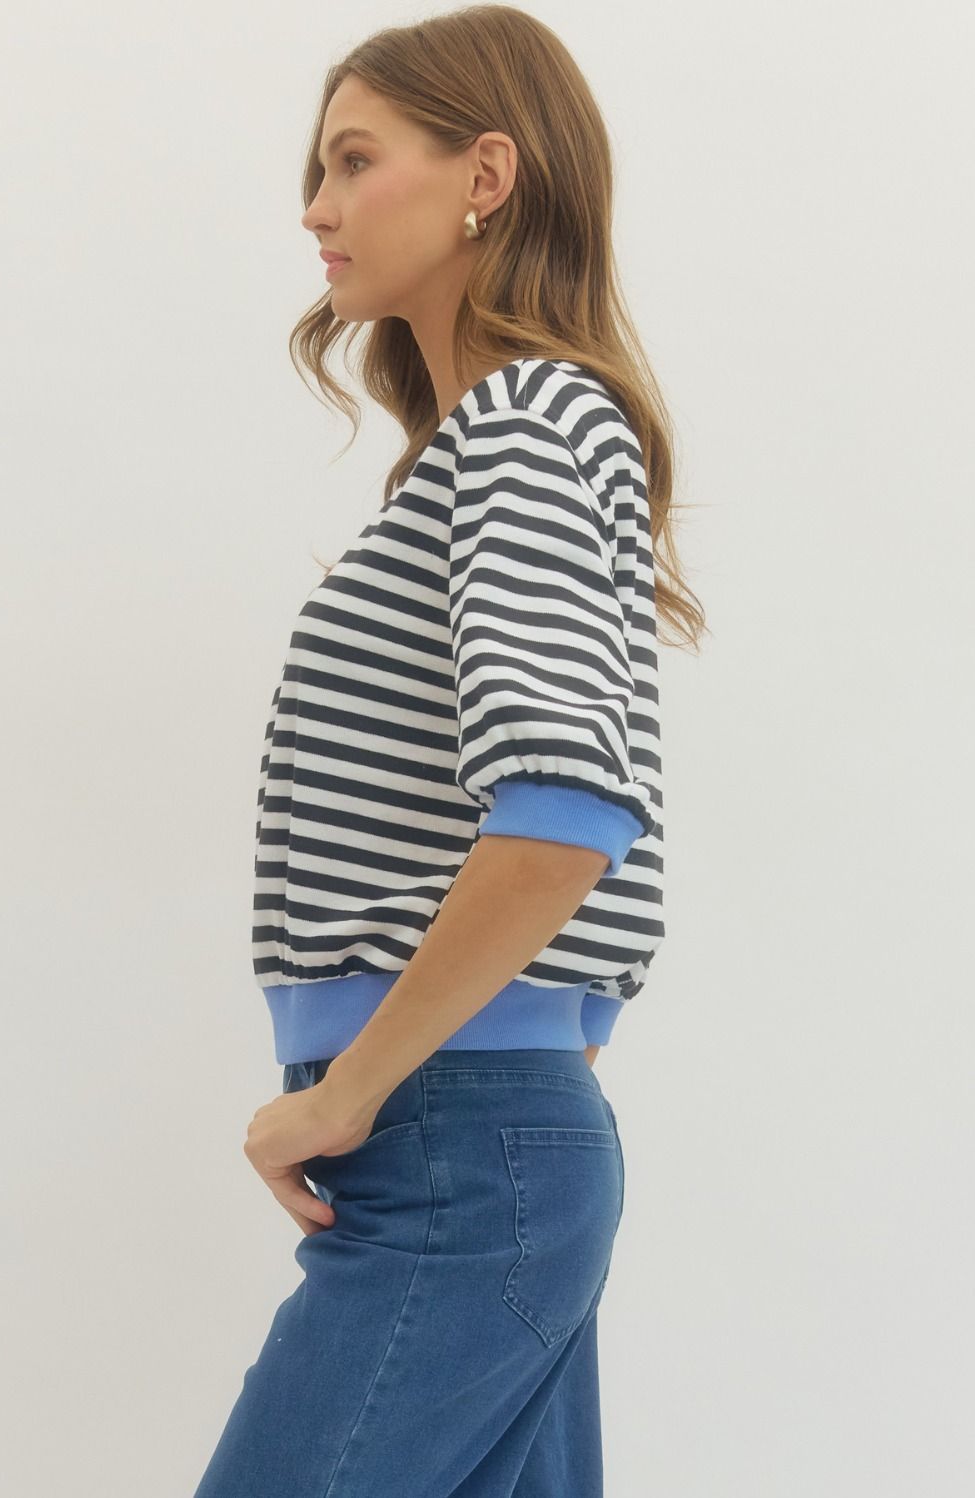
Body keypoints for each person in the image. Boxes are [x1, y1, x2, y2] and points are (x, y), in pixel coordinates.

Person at [193, 7, 705, 1495]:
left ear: (488, 170)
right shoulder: (494, 441)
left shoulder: (531, 422)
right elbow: (592, 810)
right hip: (483, 1145)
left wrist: (356, 1086)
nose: (316, 206)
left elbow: (565, 810)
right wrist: (546, 1032)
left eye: (354, 160)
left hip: (454, 1154)